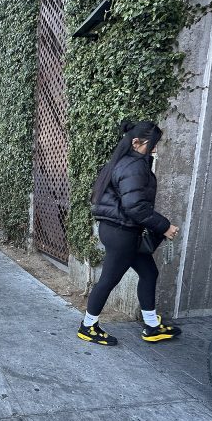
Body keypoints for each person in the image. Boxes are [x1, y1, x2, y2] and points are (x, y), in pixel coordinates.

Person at [78, 120, 181, 346]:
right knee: (108, 280)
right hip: (121, 233)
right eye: (152, 145)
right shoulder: (133, 166)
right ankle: (88, 326)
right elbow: (135, 207)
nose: (155, 149)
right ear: (136, 142)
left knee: (149, 273)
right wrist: (164, 226)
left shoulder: (126, 163)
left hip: (124, 231)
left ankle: (152, 326)